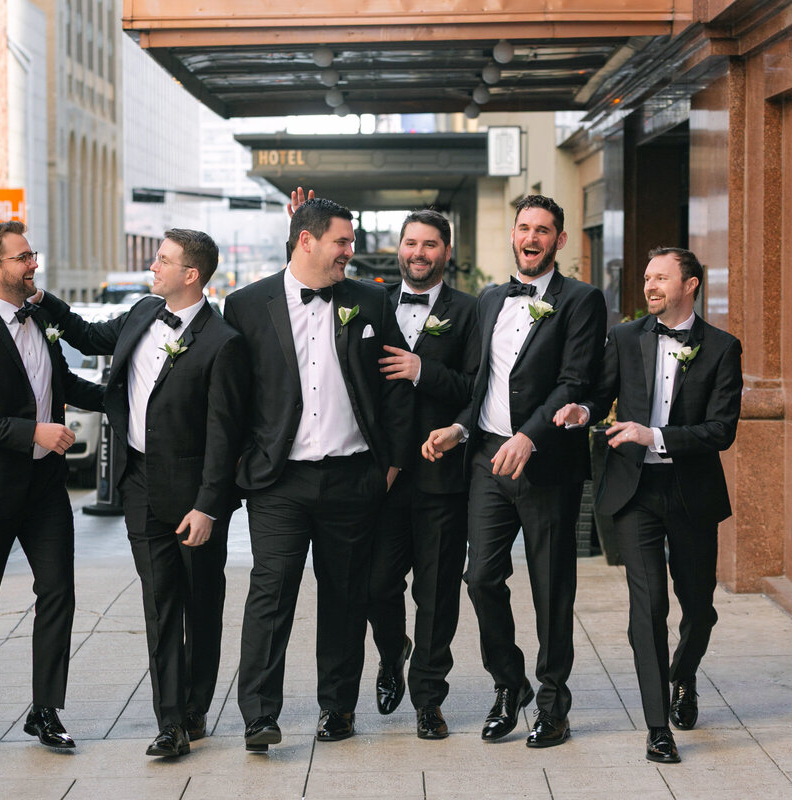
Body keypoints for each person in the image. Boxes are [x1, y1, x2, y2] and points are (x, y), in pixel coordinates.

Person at [35, 228, 249, 758]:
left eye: (162, 260)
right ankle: (170, 722)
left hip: (194, 496)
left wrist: (208, 506)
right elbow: (86, 335)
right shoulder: (141, 313)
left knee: (201, 605)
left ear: (191, 274)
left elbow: (225, 436)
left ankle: (196, 705)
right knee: (159, 604)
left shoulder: (223, 343)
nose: (153, 267)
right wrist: (41, 301)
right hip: (139, 485)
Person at [224, 197, 413, 751]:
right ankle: (259, 714)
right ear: (306, 240)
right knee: (271, 591)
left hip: (354, 476)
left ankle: (338, 708)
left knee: (344, 596)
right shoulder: (245, 304)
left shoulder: (371, 299)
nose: (349, 253)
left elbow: (394, 385)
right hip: (278, 481)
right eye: (342, 242)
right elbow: (232, 397)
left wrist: (393, 463)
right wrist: (237, 470)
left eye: (350, 243)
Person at [423, 195, 606, 748]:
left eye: (543, 230)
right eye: (524, 227)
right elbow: (480, 380)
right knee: (480, 578)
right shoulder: (490, 299)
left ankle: (553, 703)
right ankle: (510, 683)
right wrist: (459, 429)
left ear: (560, 241)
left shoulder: (582, 300)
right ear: (513, 234)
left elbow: (575, 381)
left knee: (552, 588)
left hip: (545, 463)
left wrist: (530, 436)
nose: (532, 237)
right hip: (486, 459)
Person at [553, 246, 742, 763]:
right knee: (648, 606)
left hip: (691, 494)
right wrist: (582, 409)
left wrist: (653, 434)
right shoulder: (625, 336)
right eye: (646, 277)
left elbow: (721, 431)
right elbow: (601, 391)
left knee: (698, 609)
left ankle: (683, 675)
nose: (650, 286)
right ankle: (658, 726)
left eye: (661, 278)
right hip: (633, 491)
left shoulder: (722, 348)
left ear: (691, 285)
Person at [0, 221, 104, 758]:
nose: (33, 263)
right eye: (23, 257)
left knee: (58, 593)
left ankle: (45, 711)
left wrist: (131, 394)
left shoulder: (41, 317)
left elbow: (62, 384)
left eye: (32, 253)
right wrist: (30, 431)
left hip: (44, 489)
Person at [369, 209, 478, 739]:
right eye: (411, 242)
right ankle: (393, 656)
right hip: (381, 480)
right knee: (375, 585)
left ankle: (428, 698)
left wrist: (423, 370)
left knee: (436, 594)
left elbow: (479, 388)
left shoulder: (472, 311)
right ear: (400, 248)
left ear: (446, 252)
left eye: (430, 244)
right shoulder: (372, 304)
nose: (419, 252)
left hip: (442, 478)